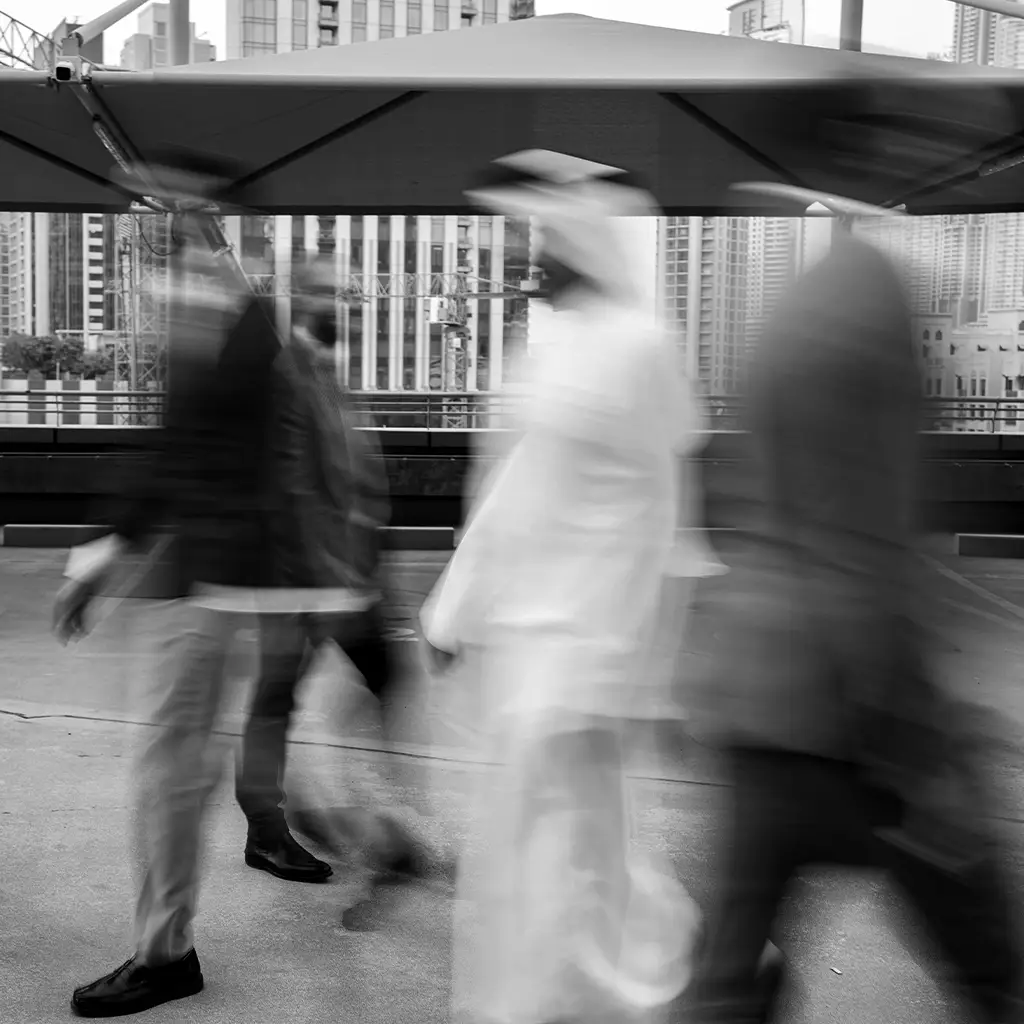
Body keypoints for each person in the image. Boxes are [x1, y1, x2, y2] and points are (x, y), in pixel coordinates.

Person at [688, 224, 1024, 1024]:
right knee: (991, 971)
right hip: (844, 720)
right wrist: (921, 743)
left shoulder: (799, 297)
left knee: (725, 984)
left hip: (755, 699)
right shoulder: (864, 294)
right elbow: (859, 543)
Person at [420, 150, 710, 1024]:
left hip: (588, 659)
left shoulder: (643, 347)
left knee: (550, 857)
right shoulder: (549, 350)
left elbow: (674, 525)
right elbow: (512, 497)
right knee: (575, 853)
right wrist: (455, 610)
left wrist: (651, 670)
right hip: (535, 656)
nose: (524, 260)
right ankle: (681, 976)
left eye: (538, 239)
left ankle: (638, 988)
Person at [53, 154, 286, 1018]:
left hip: (207, 586)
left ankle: (165, 955)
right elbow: (170, 444)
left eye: (181, 205)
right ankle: (165, 943)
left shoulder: (240, 321)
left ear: (216, 217)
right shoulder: (216, 312)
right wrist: (105, 555)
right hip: (189, 581)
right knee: (170, 773)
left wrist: (100, 555)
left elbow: (179, 445)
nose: (164, 218)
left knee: (169, 775)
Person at [235, 256, 423, 889]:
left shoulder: (326, 374)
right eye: (325, 293)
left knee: (385, 680)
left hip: (347, 577)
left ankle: (359, 816)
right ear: (296, 300)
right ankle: (270, 830)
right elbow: (289, 484)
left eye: (344, 292)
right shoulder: (287, 373)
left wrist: (373, 572)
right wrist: (328, 576)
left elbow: (353, 479)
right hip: (305, 580)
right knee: (274, 704)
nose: (340, 303)